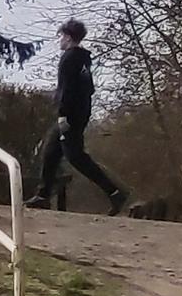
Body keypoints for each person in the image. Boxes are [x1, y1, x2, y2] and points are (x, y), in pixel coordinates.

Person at [31, 19, 130, 214]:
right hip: (79, 114)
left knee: (76, 157)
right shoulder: (84, 60)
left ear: (68, 37)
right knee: (51, 152)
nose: (60, 40)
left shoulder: (69, 58)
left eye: (61, 36)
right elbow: (89, 89)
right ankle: (43, 195)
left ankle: (114, 192)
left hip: (69, 116)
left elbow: (66, 89)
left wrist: (63, 114)